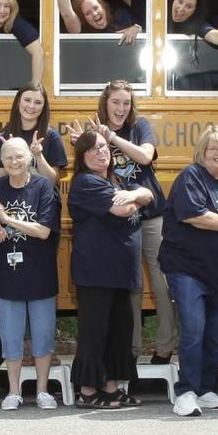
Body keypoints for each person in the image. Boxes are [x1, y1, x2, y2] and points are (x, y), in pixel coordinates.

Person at [62, 81, 174, 365]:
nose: (121, 108)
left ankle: (165, 347)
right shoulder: (94, 132)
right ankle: (130, 352)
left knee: (163, 283)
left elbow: (145, 156)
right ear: (105, 103)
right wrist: (86, 143)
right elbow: (89, 165)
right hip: (118, 222)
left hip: (151, 217)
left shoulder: (140, 127)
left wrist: (110, 137)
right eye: (116, 102)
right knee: (130, 288)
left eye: (126, 102)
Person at [160, 128, 218, 416]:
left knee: (214, 333)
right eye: (213, 148)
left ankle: (204, 389)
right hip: (187, 268)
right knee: (194, 329)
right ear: (201, 152)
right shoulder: (191, 176)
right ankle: (185, 391)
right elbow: (194, 214)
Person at [67, 129, 150, 409]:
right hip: (95, 272)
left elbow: (150, 196)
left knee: (118, 331)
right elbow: (123, 211)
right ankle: (88, 391)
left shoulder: (115, 180)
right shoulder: (85, 182)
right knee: (95, 332)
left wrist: (135, 193)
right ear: (82, 157)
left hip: (120, 273)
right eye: (92, 150)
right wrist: (135, 197)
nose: (101, 152)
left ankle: (111, 388)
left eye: (103, 147)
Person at [0, 137, 62, 411]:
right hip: (7, 273)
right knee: (10, 335)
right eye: (8, 158)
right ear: (1, 162)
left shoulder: (44, 188)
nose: (13, 163)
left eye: (18, 157)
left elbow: (43, 230)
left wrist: (8, 220)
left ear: (29, 158)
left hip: (40, 272)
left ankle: (42, 391)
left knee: (43, 335)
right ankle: (13, 391)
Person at [0, 83, 67, 182]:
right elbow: (1, 181)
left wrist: (38, 155)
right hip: (13, 196)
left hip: (43, 196)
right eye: (27, 100)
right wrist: (10, 154)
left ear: (43, 107)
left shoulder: (52, 136)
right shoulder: (4, 136)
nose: (31, 106)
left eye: (38, 102)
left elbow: (51, 182)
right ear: (18, 101)